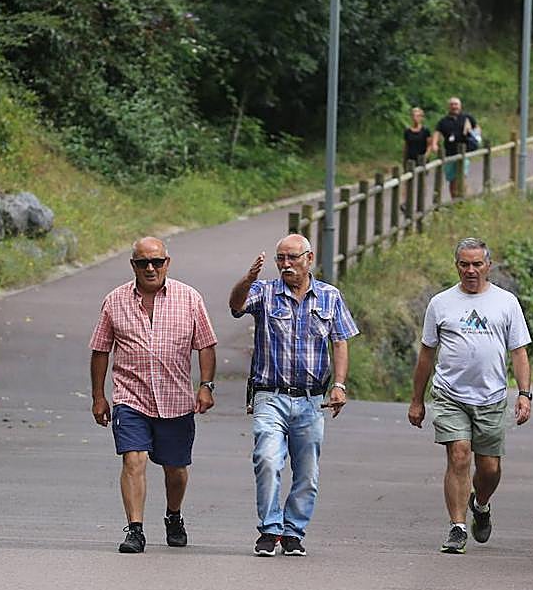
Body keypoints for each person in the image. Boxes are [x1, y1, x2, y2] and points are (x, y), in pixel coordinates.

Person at [228, 234, 359, 557]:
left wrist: (339, 385)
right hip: (269, 395)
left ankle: (293, 532)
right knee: (268, 459)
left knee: (307, 472)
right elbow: (236, 305)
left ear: (309, 258)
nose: (286, 265)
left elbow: (340, 341)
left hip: (311, 400)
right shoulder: (264, 291)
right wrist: (248, 279)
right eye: (280, 259)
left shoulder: (330, 296)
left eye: (292, 258)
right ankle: (269, 529)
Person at [89, 237, 218, 554]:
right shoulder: (114, 301)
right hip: (131, 398)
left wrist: (206, 385)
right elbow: (100, 350)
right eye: (143, 262)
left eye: (157, 262)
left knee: (175, 469)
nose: (150, 268)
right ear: (132, 265)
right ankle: (135, 529)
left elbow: (206, 345)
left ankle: (174, 516)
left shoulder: (188, 298)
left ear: (167, 263)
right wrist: (98, 396)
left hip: (176, 399)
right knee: (133, 459)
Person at [407, 237, 532, 553]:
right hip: (450, 394)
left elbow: (518, 352)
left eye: (477, 264)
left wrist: (524, 393)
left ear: (489, 265)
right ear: (456, 266)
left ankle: (482, 503)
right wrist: (417, 400)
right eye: (465, 264)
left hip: (491, 397)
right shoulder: (441, 303)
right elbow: (426, 354)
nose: (471, 270)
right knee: (459, 454)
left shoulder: (506, 302)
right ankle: (458, 527)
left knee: (489, 469)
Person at [434, 97, 479, 199]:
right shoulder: (443, 121)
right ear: (449, 107)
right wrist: (434, 144)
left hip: (464, 153)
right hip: (450, 153)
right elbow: (437, 133)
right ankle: (454, 201)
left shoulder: (467, 118)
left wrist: (474, 135)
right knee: (452, 180)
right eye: (452, 104)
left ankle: (464, 199)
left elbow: (477, 128)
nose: (454, 106)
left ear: (460, 106)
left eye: (456, 104)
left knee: (462, 177)